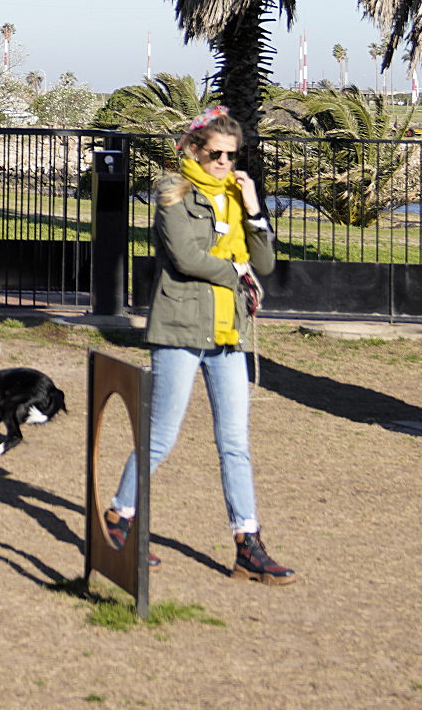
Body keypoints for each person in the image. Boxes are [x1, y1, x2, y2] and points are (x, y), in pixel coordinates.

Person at [102, 112, 298, 585]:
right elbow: (187, 258)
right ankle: (118, 520)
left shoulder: (236, 194)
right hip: (180, 330)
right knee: (161, 436)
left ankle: (247, 545)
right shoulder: (174, 192)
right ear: (195, 148)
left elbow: (266, 262)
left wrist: (253, 210)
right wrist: (238, 275)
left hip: (228, 334)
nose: (225, 163)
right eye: (217, 154)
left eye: (233, 155)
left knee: (235, 443)